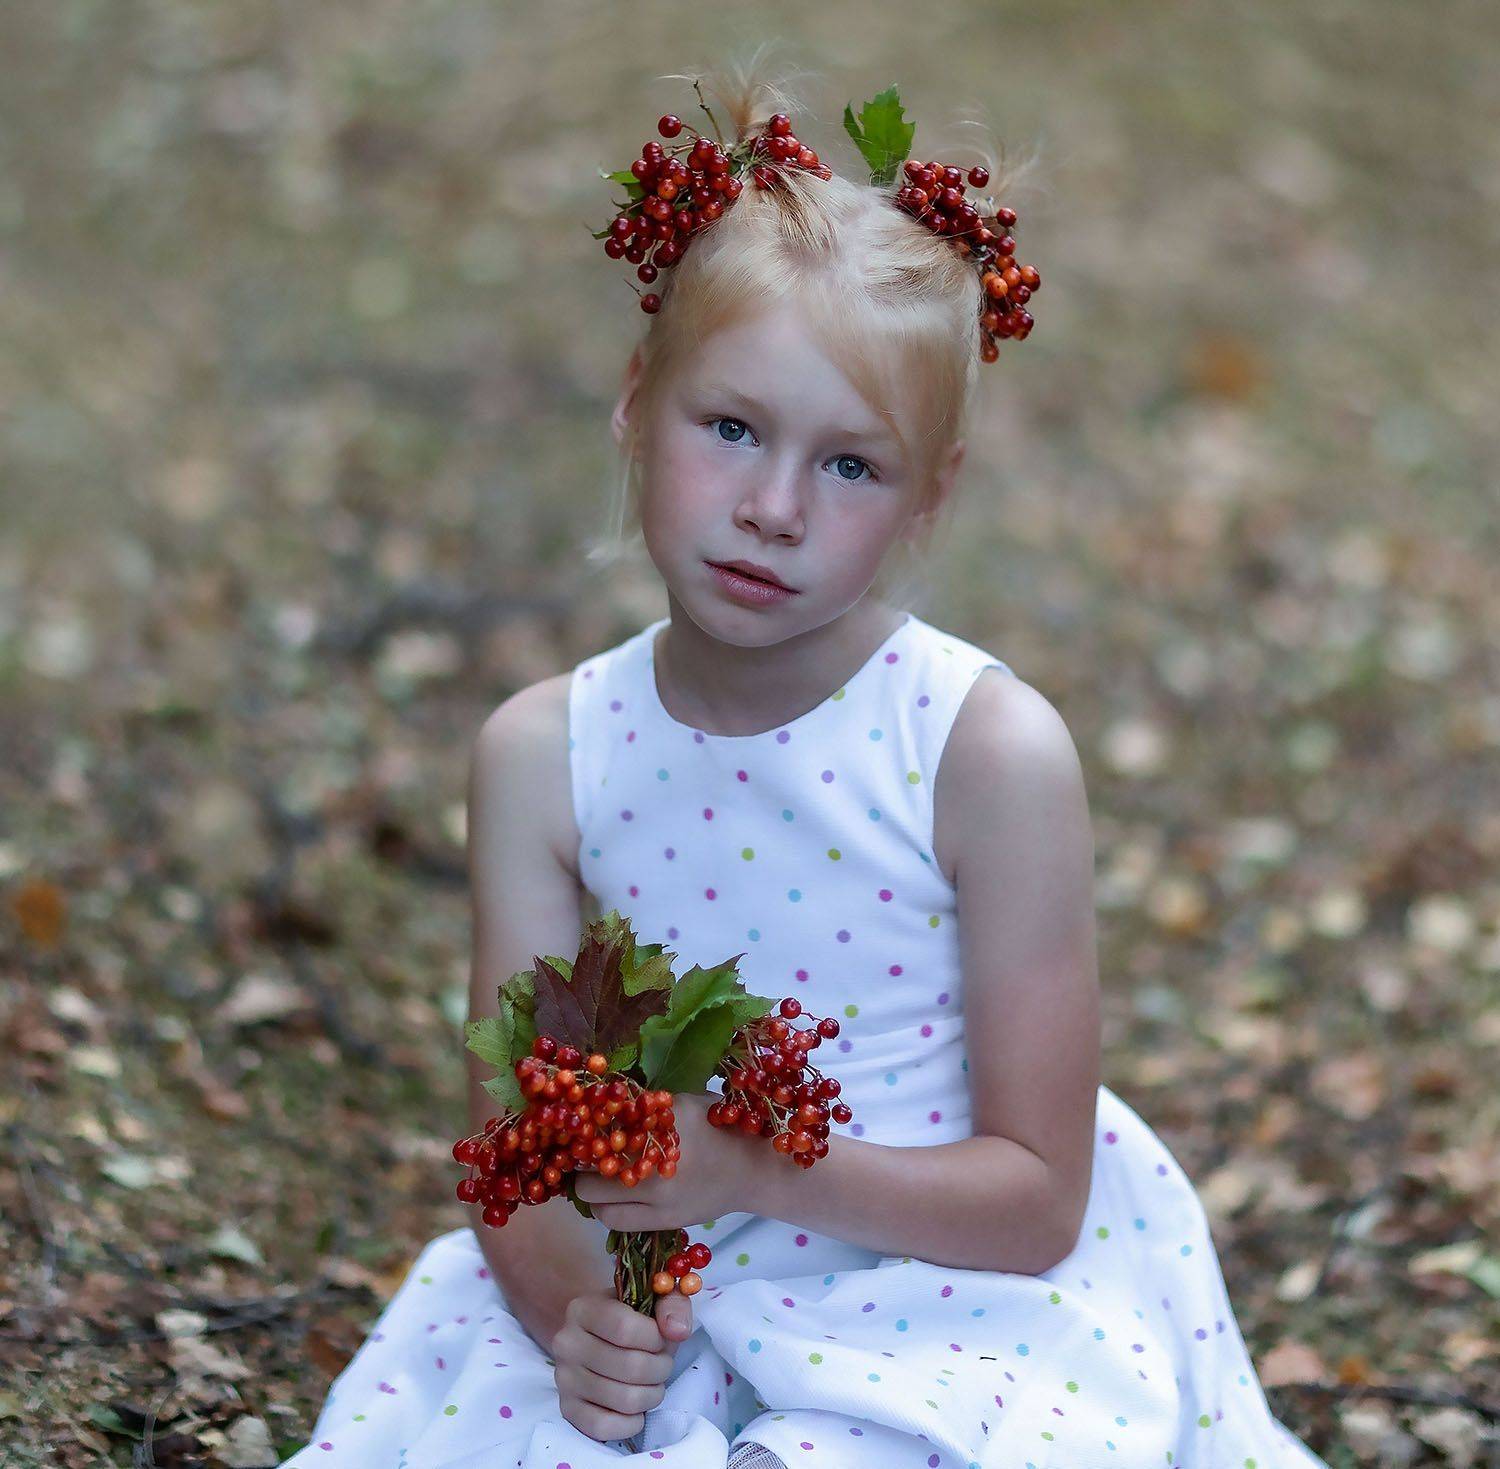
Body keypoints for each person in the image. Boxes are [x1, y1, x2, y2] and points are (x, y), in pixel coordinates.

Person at [281, 53, 1329, 1469]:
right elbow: (521, 1140)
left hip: (943, 1295)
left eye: (851, 466)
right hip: (649, 1282)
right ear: (635, 402)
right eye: (731, 429)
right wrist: (577, 1317)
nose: (774, 507)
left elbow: (1036, 1198)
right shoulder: (545, 756)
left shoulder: (981, 751)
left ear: (928, 496)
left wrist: (746, 1164)